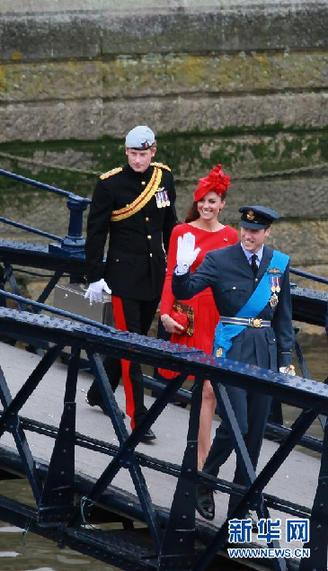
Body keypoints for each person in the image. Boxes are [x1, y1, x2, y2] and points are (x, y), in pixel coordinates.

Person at [172, 205, 295, 519]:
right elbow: (185, 291)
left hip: (265, 354)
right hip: (231, 351)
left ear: (267, 232)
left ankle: (240, 505)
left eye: (255, 231)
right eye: (245, 229)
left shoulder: (278, 264)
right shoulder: (220, 259)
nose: (248, 235)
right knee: (236, 425)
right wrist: (180, 269)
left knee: (254, 432)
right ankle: (206, 479)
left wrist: (284, 361)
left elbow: (283, 318)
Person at [84, 125, 177, 442]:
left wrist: (177, 263)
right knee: (132, 347)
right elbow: (96, 232)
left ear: (153, 152)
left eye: (144, 153)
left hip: (154, 274)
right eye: (133, 154)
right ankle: (138, 418)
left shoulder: (163, 177)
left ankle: (100, 391)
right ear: (126, 153)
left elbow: (169, 225)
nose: (138, 160)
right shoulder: (110, 185)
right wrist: (95, 274)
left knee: (133, 338)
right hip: (122, 278)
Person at [158, 164, 238, 468]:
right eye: (203, 200)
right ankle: (195, 452)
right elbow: (170, 276)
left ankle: (201, 460)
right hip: (189, 312)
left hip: (217, 317)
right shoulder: (181, 231)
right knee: (185, 383)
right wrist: (164, 313)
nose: (207, 206)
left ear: (222, 204)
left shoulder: (231, 236)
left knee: (209, 390)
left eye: (213, 201)